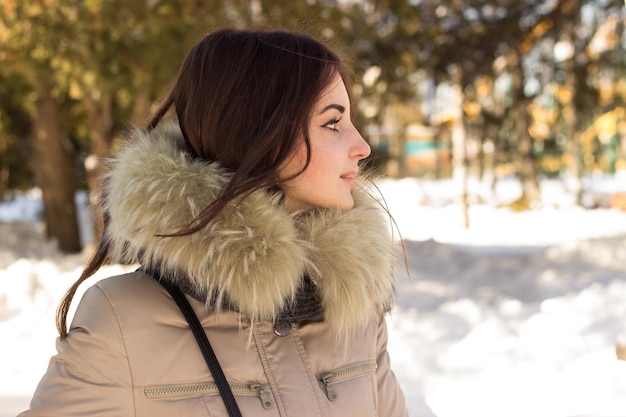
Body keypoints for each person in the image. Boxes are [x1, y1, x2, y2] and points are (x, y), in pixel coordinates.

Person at [19, 28, 408, 417]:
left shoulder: (356, 312)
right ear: (258, 133)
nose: (362, 147)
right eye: (332, 123)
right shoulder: (123, 320)